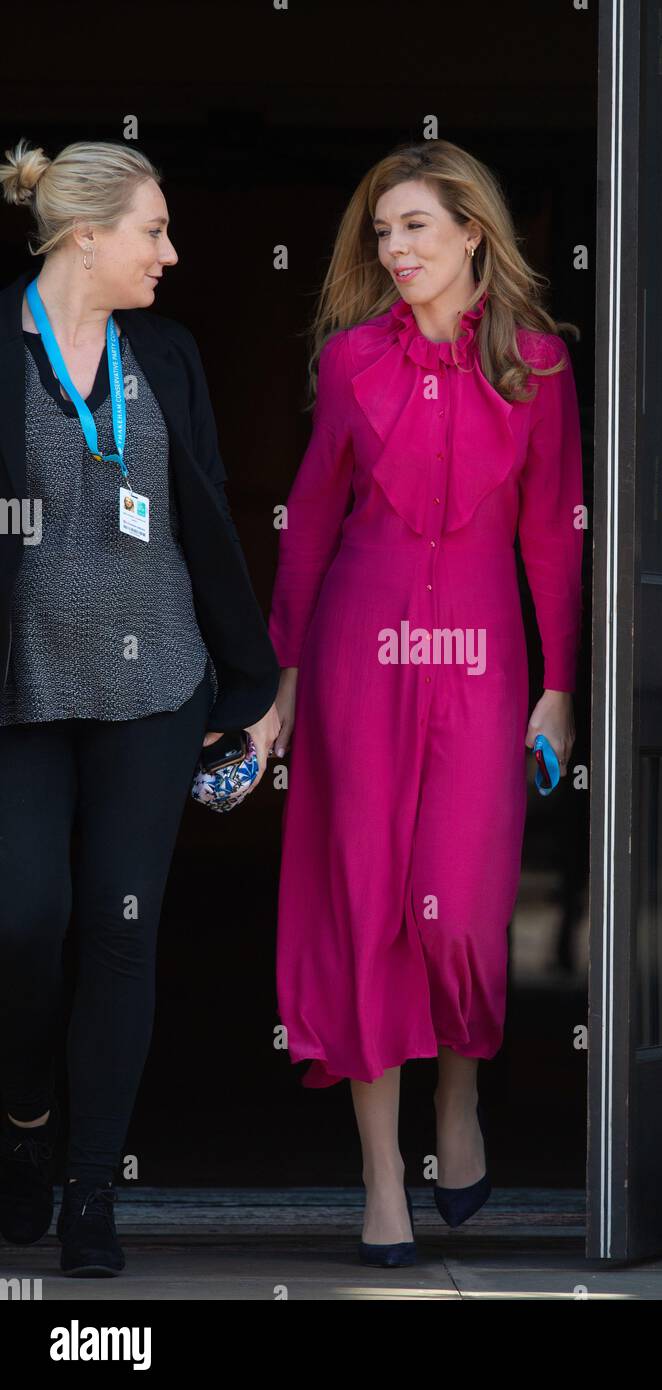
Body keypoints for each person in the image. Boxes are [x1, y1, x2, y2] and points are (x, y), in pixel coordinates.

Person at [268, 140, 584, 1265]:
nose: (393, 249)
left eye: (413, 227)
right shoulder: (352, 358)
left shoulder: (539, 369)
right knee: (366, 905)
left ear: (472, 235)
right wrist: (282, 686)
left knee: (457, 907)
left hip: (484, 660)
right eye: (382, 231)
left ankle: (461, 1096)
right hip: (360, 649)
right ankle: (381, 1177)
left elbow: (553, 531)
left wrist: (557, 688)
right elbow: (309, 522)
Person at [0, 140, 281, 1276]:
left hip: (155, 685)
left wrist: (249, 685)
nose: (171, 252)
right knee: (25, 921)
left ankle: (88, 1196)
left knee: (120, 933)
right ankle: (25, 1123)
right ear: (85, 238)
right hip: (20, 695)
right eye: (152, 231)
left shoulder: (163, 351)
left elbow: (202, 514)